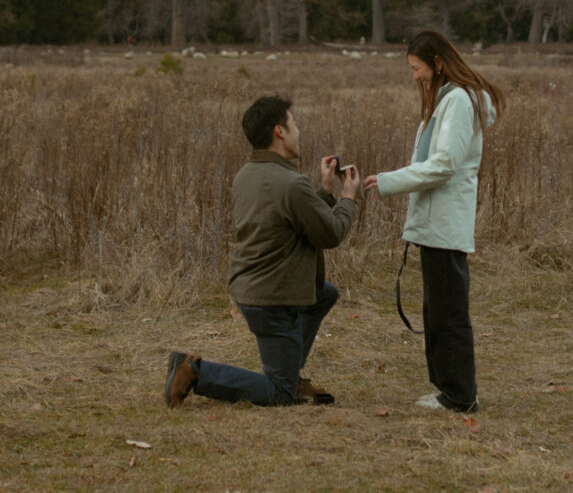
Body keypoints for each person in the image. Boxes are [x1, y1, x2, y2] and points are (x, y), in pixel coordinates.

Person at [165, 95, 360, 408]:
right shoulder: (290, 183)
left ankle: (289, 370)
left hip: (254, 289)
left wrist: (324, 191)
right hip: (273, 300)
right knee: (279, 393)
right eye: (294, 125)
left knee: (324, 294)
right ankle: (194, 371)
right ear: (279, 132)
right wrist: (348, 198)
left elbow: (297, 221)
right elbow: (330, 233)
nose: (298, 132)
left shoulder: (248, 175)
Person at [363, 30, 504, 413]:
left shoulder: (457, 101)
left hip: (444, 224)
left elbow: (444, 165)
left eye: (417, 67)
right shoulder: (448, 101)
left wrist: (391, 181)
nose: (415, 76)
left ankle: (460, 396)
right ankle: (449, 390)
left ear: (438, 62)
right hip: (436, 224)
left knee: (448, 314)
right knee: (437, 311)